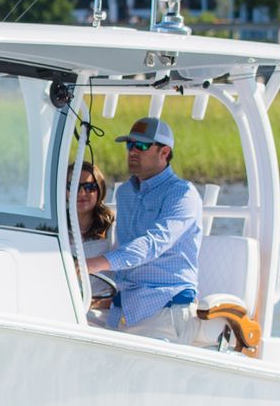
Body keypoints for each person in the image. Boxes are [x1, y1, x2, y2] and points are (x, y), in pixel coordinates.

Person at [85, 117, 199, 339]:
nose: (133, 151)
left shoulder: (183, 194)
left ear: (164, 152)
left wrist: (92, 264)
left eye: (142, 146)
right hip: (123, 307)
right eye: (129, 145)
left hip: (165, 307)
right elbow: (124, 247)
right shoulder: (125, 192)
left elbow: (154, 243)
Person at [74, 158, 117, 319]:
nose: (81, 193)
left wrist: (95, 303)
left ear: (99, 190)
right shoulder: (56, 227)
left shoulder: (112, 228)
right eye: (73, 187)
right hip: (66, 305)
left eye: (89, 187)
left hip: (101, 311)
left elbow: (124, 278)